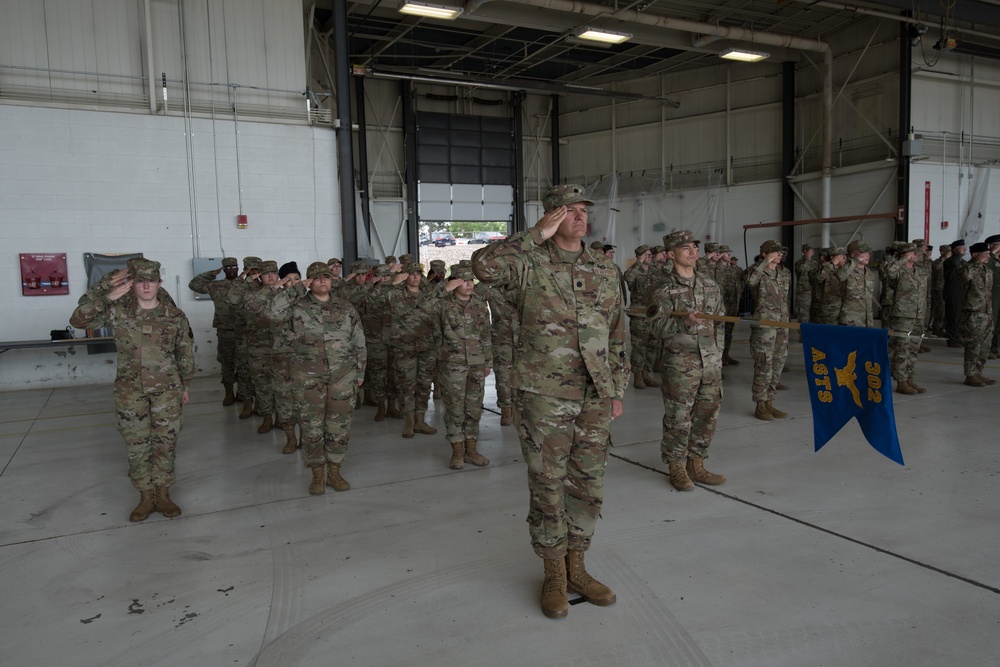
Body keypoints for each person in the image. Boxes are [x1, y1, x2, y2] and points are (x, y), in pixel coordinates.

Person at [471, 184, 628, 620]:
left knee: (588, 484)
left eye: (582, 211)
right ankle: (553, 574)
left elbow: (617, 331)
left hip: (595, 393)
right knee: (548, 485)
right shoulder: (526, 263)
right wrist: (534, 235)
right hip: (544, 394)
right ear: (551, 217)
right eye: (568, 211)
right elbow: (482, 267)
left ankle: (578, 567)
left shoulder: (603, 267)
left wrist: (616, 387)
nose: (578, 217)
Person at [69, 259, 194, 522]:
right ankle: (145, 497)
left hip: (167, 390)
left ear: (160, 283)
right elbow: (78, 320)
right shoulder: (118, 311)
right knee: (137, 444)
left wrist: (185, 385)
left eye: (151, 280)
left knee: (165, 443)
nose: (146, 285)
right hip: (130, 390)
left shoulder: (175, 315)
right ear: (132, 284)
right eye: (140, 280)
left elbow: (184, 353)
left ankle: (163, 494)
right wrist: (106, 295)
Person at [266, 262, 366, 495]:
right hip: (308, 377)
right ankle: (317, 475)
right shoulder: (296, 306)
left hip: (343, 376)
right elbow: (271, 313)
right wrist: (295, 289)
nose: (323, 280)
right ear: (309, 282)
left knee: (339, 426)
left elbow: (359, 340)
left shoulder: (345, 307)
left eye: (326, 277)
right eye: (317, 277)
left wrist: (360, 372)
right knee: (311, 428)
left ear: (331, 281)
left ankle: (334, 472)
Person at [648, 230, 726, 493]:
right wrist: (683, 321)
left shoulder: (711, 286)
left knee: (707, 414)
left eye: (694, 246)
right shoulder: (662, 289)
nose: (693, 251)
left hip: (710, 361)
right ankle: (676, 465)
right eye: (685, 248)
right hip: (681, 365)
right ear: (671, 254)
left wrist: (719, 356)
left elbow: (720, 325)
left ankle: (697, 463)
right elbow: (656, 328)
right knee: (679, 418)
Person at [437, 264, 493, 469]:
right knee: (455, 409)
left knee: (474, 408)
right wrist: (444, 288)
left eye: (471, 280)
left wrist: (488, 361)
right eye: (463, 280)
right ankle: (457, 452)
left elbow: (486, 333)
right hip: (453, 364)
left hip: (477, 363)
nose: (469, 284)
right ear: (454, 282)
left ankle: (471, 450)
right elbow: (422, 306)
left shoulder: (479, 304)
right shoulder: (443, 303)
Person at [745, 240, 791, 421]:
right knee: (764, 365)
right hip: (765, 325)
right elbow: (750, 281)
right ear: (764, 253)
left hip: (783, 324)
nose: (779, 255)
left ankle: (770, 401)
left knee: (778, 364)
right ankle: (760, 404)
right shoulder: (756, 271)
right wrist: (764, 263)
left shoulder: (784, 273)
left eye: (780, 252)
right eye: (775, 252)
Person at [188, 257, 241, 405]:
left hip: (245, 331)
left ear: (238, 268)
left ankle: (244, 393)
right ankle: (229, 393)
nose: (231, 270)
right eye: (228, 267)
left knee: (245, 364)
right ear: (223, 269)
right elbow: (194, 285)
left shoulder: (245, 285)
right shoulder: (216, 286)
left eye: (234, 267)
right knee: (227, 363)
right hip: (225, 331)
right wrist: (211, 273)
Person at [883, 243, 926, 395]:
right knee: (901, 348)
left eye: (916, 253)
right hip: (903, 315)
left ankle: (909, 378)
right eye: (912, 253)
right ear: (905, 255)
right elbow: (889, 271)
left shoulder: (920, 270)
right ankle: (901, 381)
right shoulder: (898, 270)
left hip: (919, 314)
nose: (916, 255)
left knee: (914, 348)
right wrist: (902, 260)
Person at [959, 243, 995, 387]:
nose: (988, 256)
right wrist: (976, 262)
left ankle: (978, 372)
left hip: (987, 312)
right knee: (973, 345)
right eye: (984, 253)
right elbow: (964, 277)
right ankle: (970, 375)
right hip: (973, 313)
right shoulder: (967, 268)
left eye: (988, 253)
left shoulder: (987, 270)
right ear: (974, 255)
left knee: (985, 346)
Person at [623, 244, 658, 389]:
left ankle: (646, 373)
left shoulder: (655, 271)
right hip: (638, 314)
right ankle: (637, 375)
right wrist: (638, 262)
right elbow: (628, 279)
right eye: (646, 255)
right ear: (639, 256)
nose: (649, 258)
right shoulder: (634, 271)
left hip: (653, 314)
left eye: (650, 255)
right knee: (639, 346)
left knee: (652, 345)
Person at [837, 240, 875, 327]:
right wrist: (856, 260)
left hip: (867, 321)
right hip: (850, 320)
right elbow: (841, 276)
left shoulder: (869, 273)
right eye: (863, 252)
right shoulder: (845, 270)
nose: (868, 255)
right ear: (853, 255)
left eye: (868, 252)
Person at [943, 239, 967, 347]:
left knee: (960, 316)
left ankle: (958, 337)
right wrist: (957, 253)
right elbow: (953, 263)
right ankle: (952, 339)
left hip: (961, 290)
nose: (965, 250)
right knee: (953, 315)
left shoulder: (963, 262)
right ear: (956, 250)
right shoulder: (949, 261)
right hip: (952, 291)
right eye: (962, 248)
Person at [794, 244, 818, 327]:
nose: (813, 251)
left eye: (813, 250)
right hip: (803, 292)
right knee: (803, 314)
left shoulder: (815, 263)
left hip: (813, 290)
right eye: (810, 250)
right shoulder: (799, 262)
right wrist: (807, 258)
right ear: (805, 251)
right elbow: (801, 269)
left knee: (814, 314)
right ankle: (802, 334)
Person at [930, 244, 951, 337]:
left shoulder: (951, 261)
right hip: (939, 289)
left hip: (948, 289)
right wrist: (944, 258)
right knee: (940, 310)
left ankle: (944, 328)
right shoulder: (937, 262)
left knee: (947, 310)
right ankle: (937, 328)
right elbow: (935, 269)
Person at [986, 235, 1000, 359]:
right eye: (997, 245)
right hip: (993, 293)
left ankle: (997, 347)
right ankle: (988, 348)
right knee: (992, 322)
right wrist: (992, 253)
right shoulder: (988, 259)